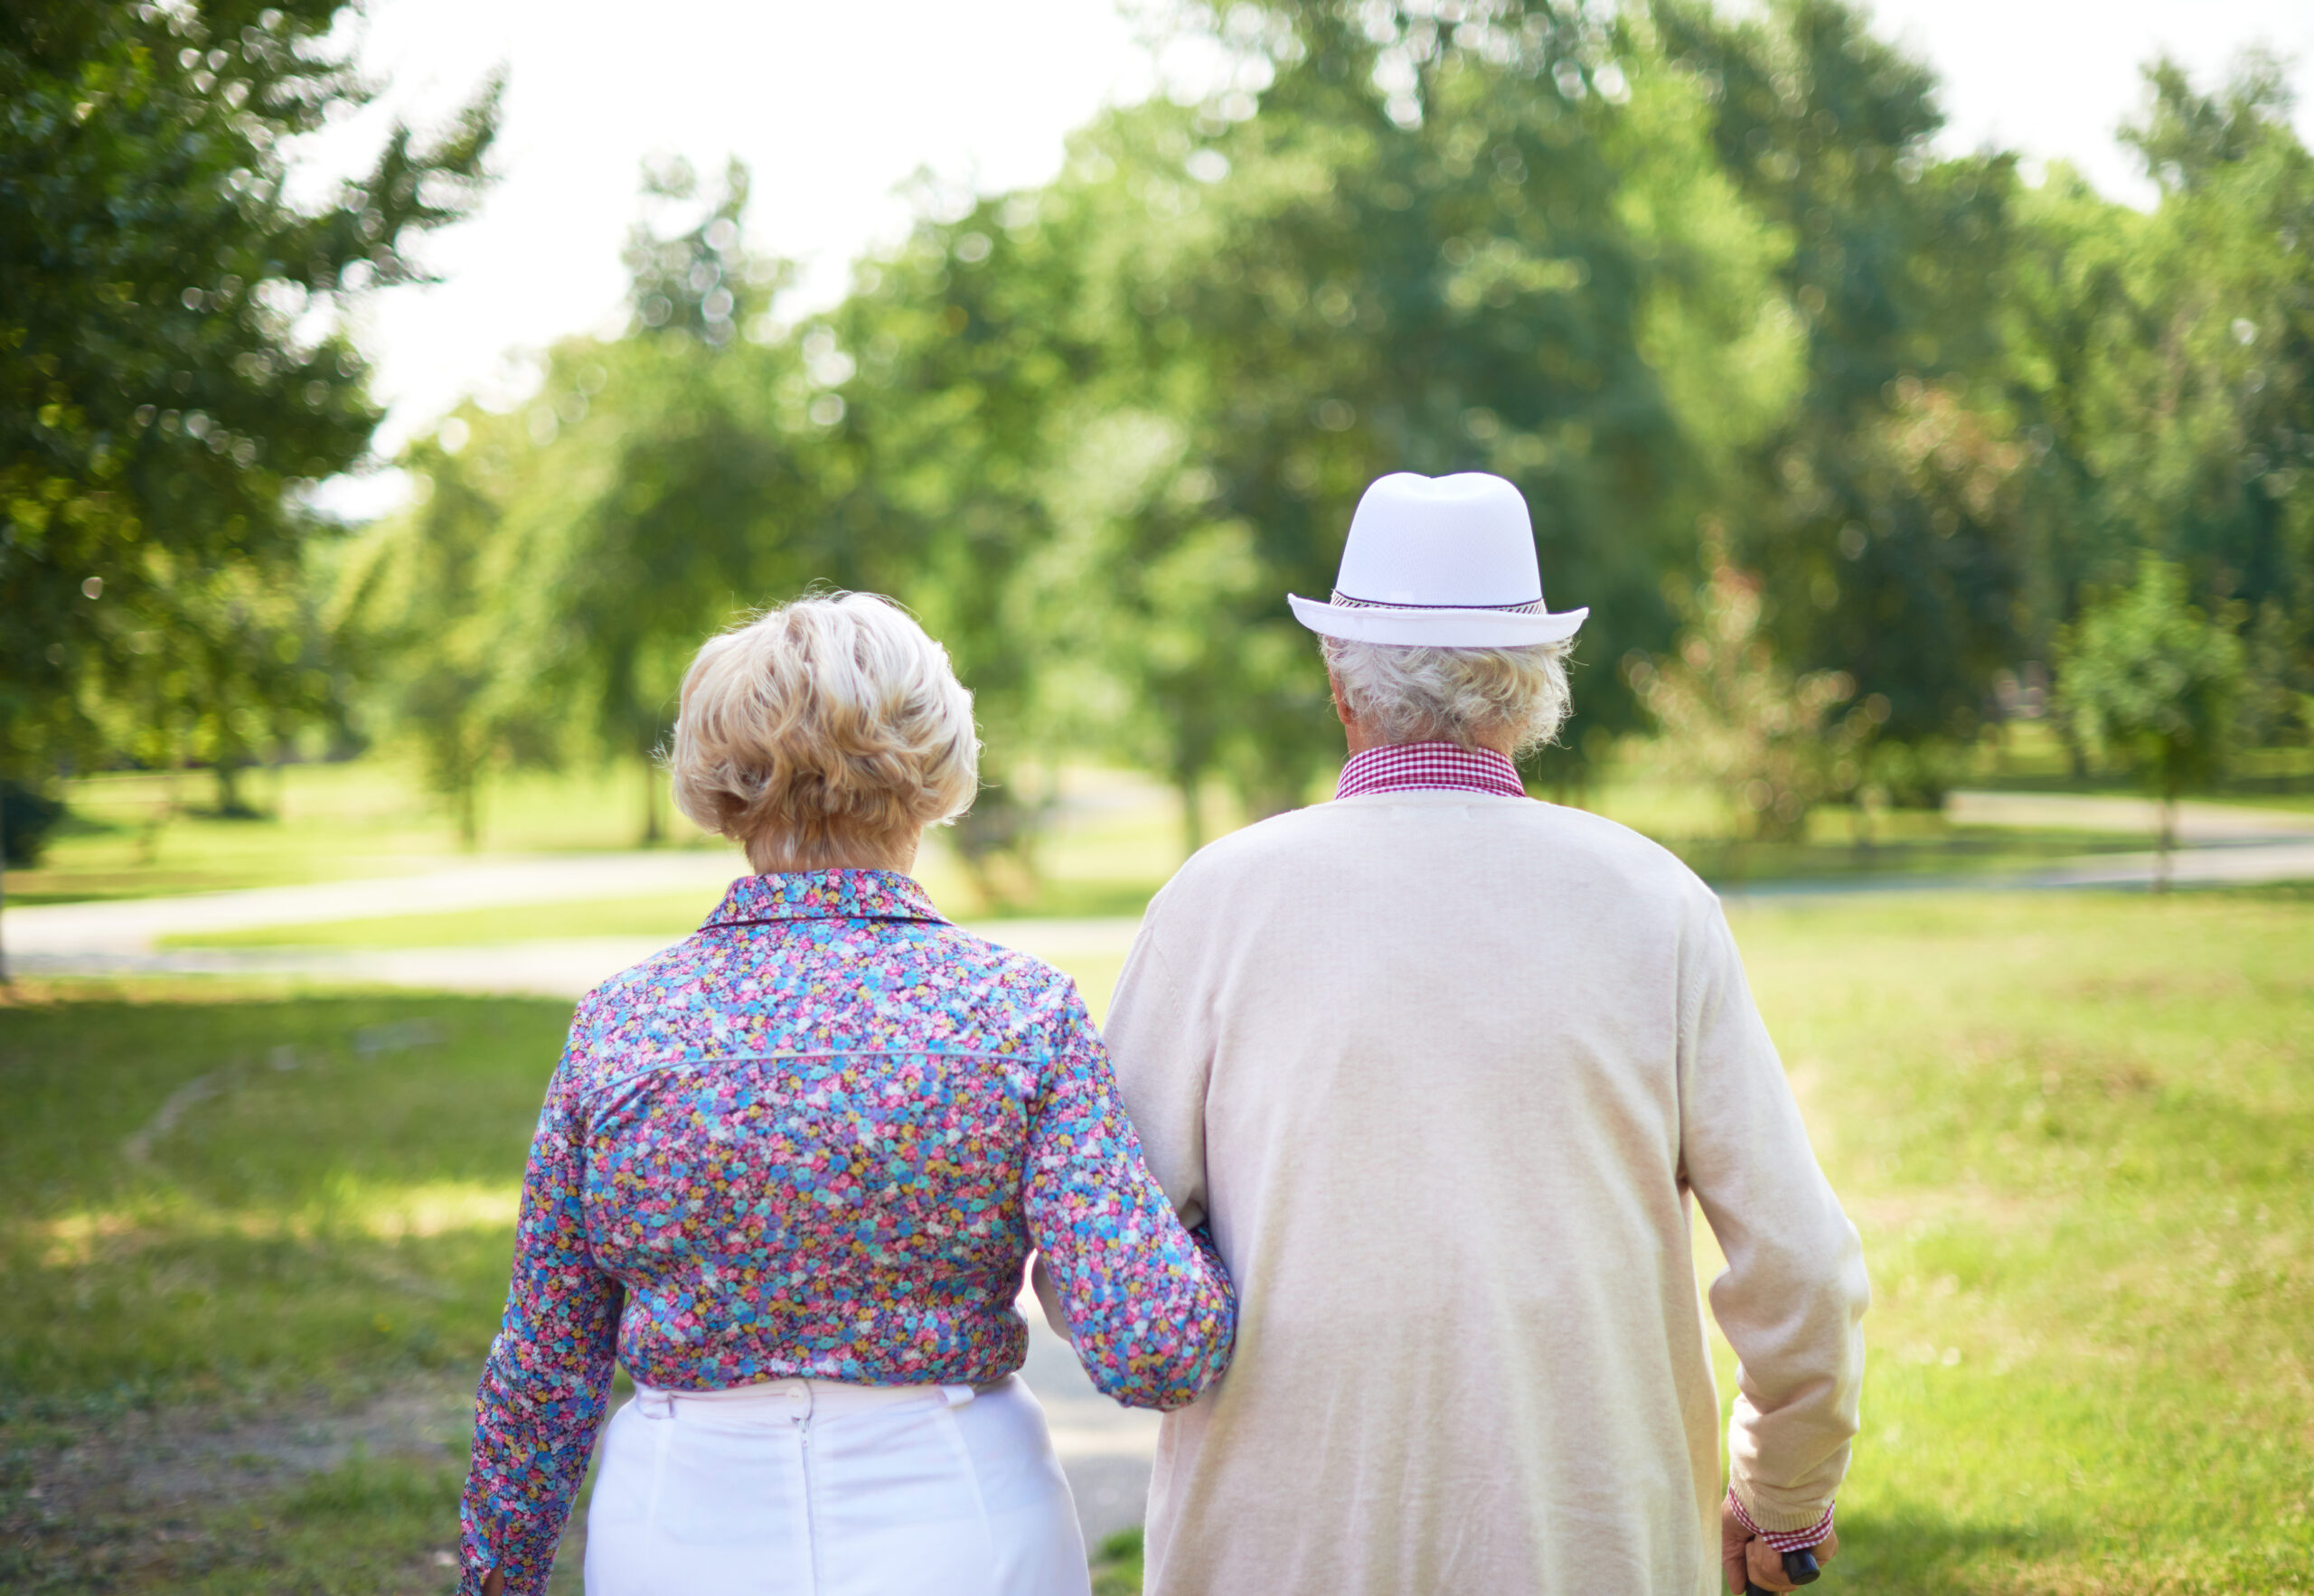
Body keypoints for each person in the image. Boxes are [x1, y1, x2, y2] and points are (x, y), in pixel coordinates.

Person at [1103, 472, 1868, 1596]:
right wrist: (1781, 1503)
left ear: (1338, 680)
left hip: (1279, 1550)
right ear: (1534, 690)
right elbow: (1801, 1272)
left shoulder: (1216, 901)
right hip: (1590, 1544)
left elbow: (1104, 1266)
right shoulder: (1656, 904)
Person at [456, 592, 1236, 1596]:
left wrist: (495, 1577)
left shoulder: (622, 1023)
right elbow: (1155, 1346)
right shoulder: (1016, 1013)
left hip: (679, 1521)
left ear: (715, 778)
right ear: (936, 769)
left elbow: (546, 1366)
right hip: (961, 1512)